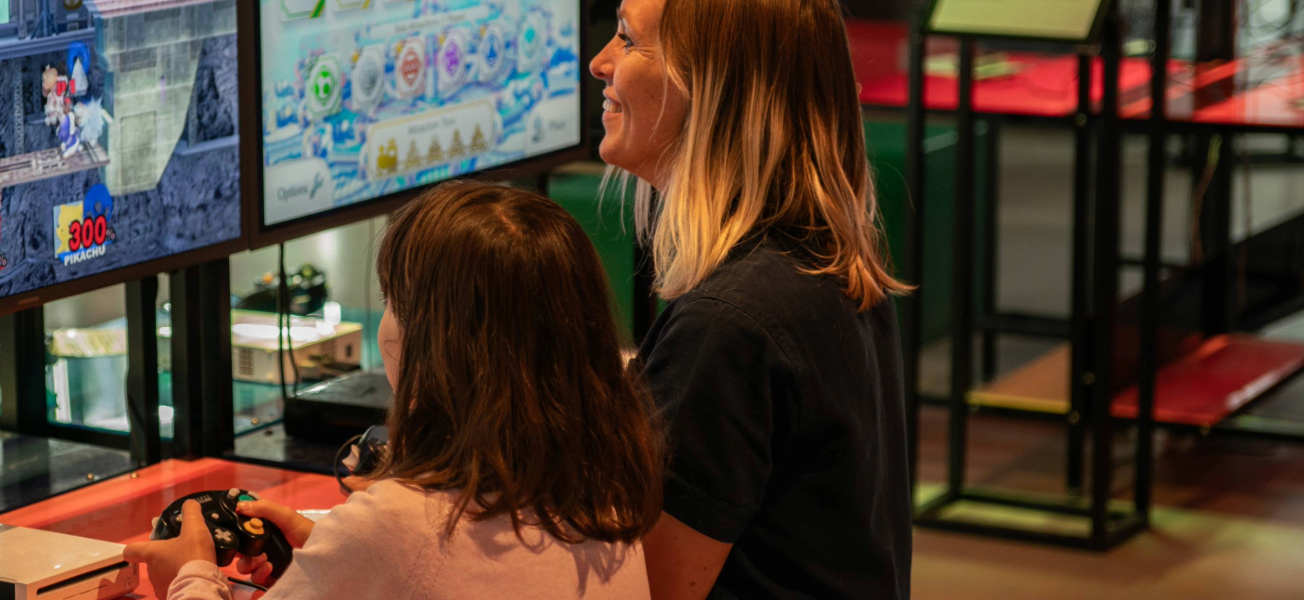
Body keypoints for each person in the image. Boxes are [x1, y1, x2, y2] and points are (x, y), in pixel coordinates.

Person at [124, 181, 663, 600]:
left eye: (393, 299)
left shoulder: (401, 526)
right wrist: (335, 565)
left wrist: (191, 574)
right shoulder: (604, 493)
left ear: (428, 344)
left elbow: (413, 553)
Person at [588, 0, 914, 598]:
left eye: (628, 41)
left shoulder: (728, 325)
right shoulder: (821, 260)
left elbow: (646, 588)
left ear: (711, 85)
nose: (599, 62)